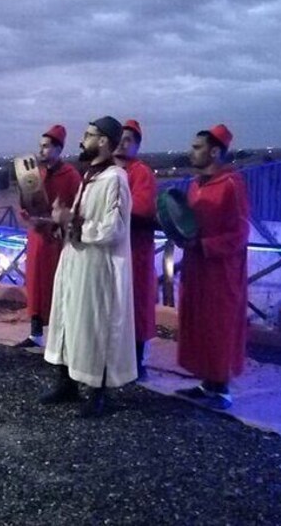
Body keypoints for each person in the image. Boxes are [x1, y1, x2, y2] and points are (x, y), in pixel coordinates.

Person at [41, 116, 137, 418]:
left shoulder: (115, 179)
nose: (83, 140)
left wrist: (72, 221)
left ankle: (97, 392)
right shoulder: (90, 175)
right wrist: (60, 221)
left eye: (89, 135)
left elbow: (114, 228)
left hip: (98, 269)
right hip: (76, 262)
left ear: (104, 141)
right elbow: (78, 218)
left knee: (95, 327)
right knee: (70, 319)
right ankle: (67, 382)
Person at [175, 124, 250, 410]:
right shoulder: (195, 185)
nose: (191, 152)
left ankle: (222, 389)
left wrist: (206, 245)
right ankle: (207, 383)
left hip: (221, 271)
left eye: (197, 147)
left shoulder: (232, 184)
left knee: (220, 326)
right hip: (197, 267)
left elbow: (240, 233)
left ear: (215, 151)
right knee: (201, 324)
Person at [15, 124, 82, 348]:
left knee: (57, 286)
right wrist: (26, 212)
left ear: (58, 149)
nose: (41, 150)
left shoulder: (71, 175)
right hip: (37, 237)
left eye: (46, 146)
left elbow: (77, 207)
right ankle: (35, 334)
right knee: (35, 285)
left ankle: (59, 336)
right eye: (40, 146)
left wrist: (61, 219)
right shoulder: (37, 174)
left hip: (57, 240)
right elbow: (28, 202)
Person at [112, 119, 158, 379]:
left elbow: (140, 209)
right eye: (119, 138)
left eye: (128, 139)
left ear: (137, 146)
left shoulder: (141, 173)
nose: (122, 143)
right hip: (114, 250)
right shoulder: (110, 170)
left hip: (135, 251)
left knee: (136, 305)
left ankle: (138, 362)